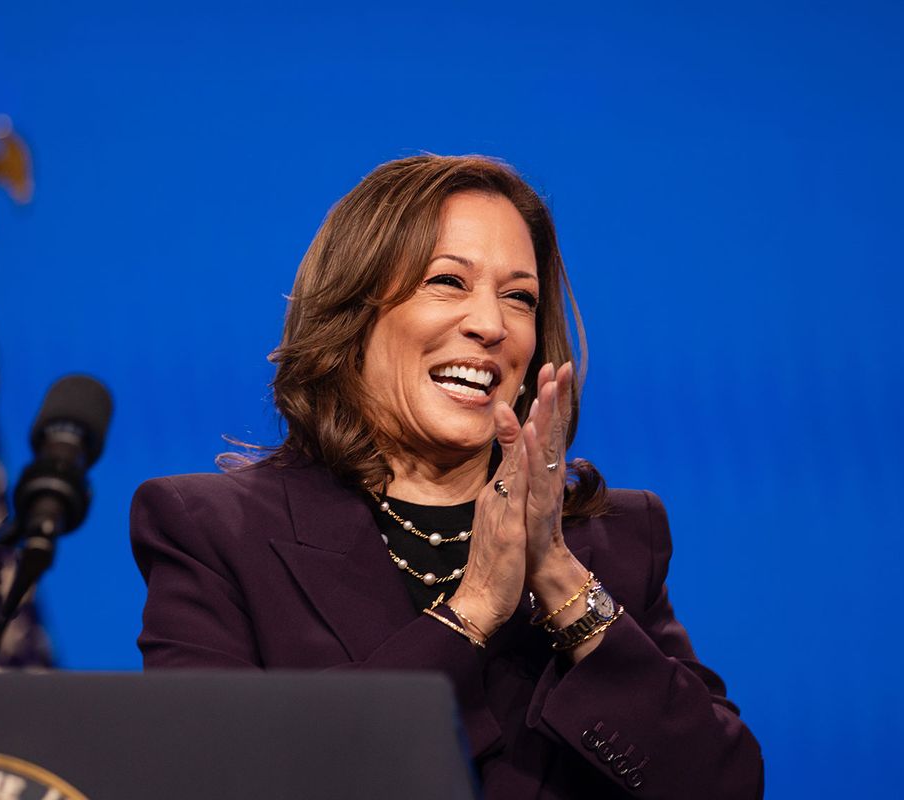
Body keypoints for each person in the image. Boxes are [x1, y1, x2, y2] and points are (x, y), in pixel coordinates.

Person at [131, 155, 763, 798]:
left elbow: (724, 785)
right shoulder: (215, 533)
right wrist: (470, 614)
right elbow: (211, 780)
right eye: (448, 282)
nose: (491, 325)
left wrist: (559, 580)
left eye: (519, 297)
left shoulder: (615, 543)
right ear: (354, 312)